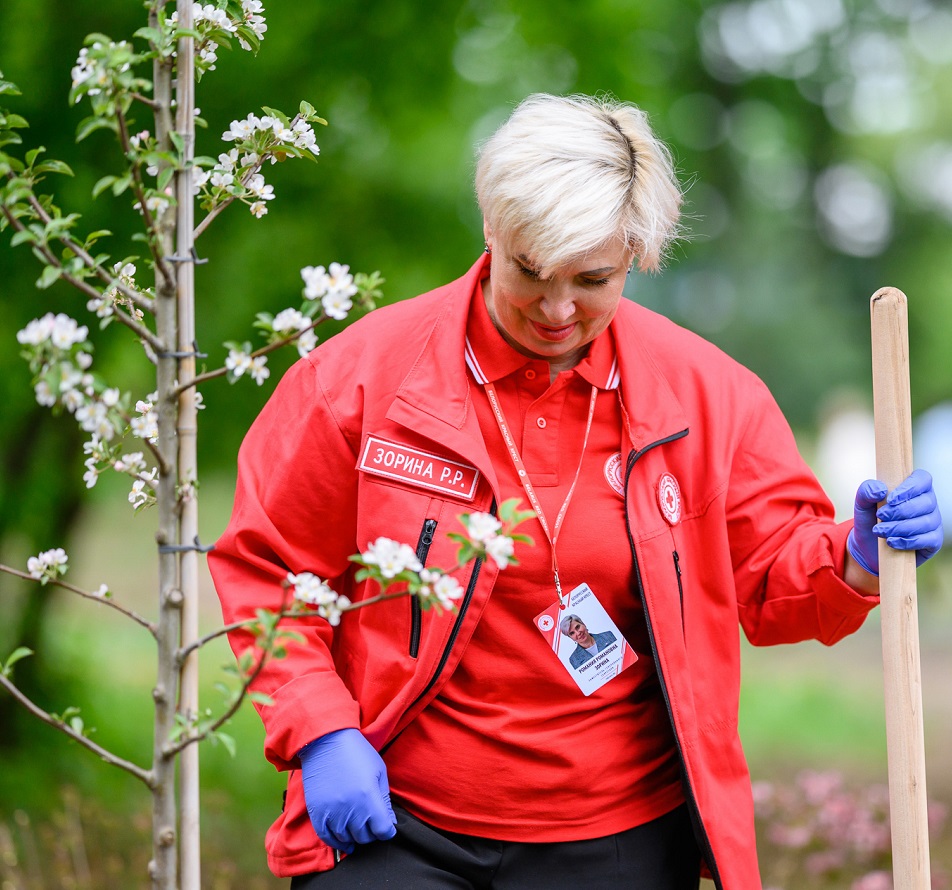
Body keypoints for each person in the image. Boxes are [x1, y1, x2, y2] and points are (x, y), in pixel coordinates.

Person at [208, 93, 943, 890]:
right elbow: (269, 569)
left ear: (638, 255)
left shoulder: (708, 399)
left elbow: (767, 574)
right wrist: (319, 732)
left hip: (618, 840)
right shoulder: (358, 381)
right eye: (530, 272)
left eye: (593, 279)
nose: (557, 311)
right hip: (395, 824)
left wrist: (857, 555)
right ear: (491, 228)